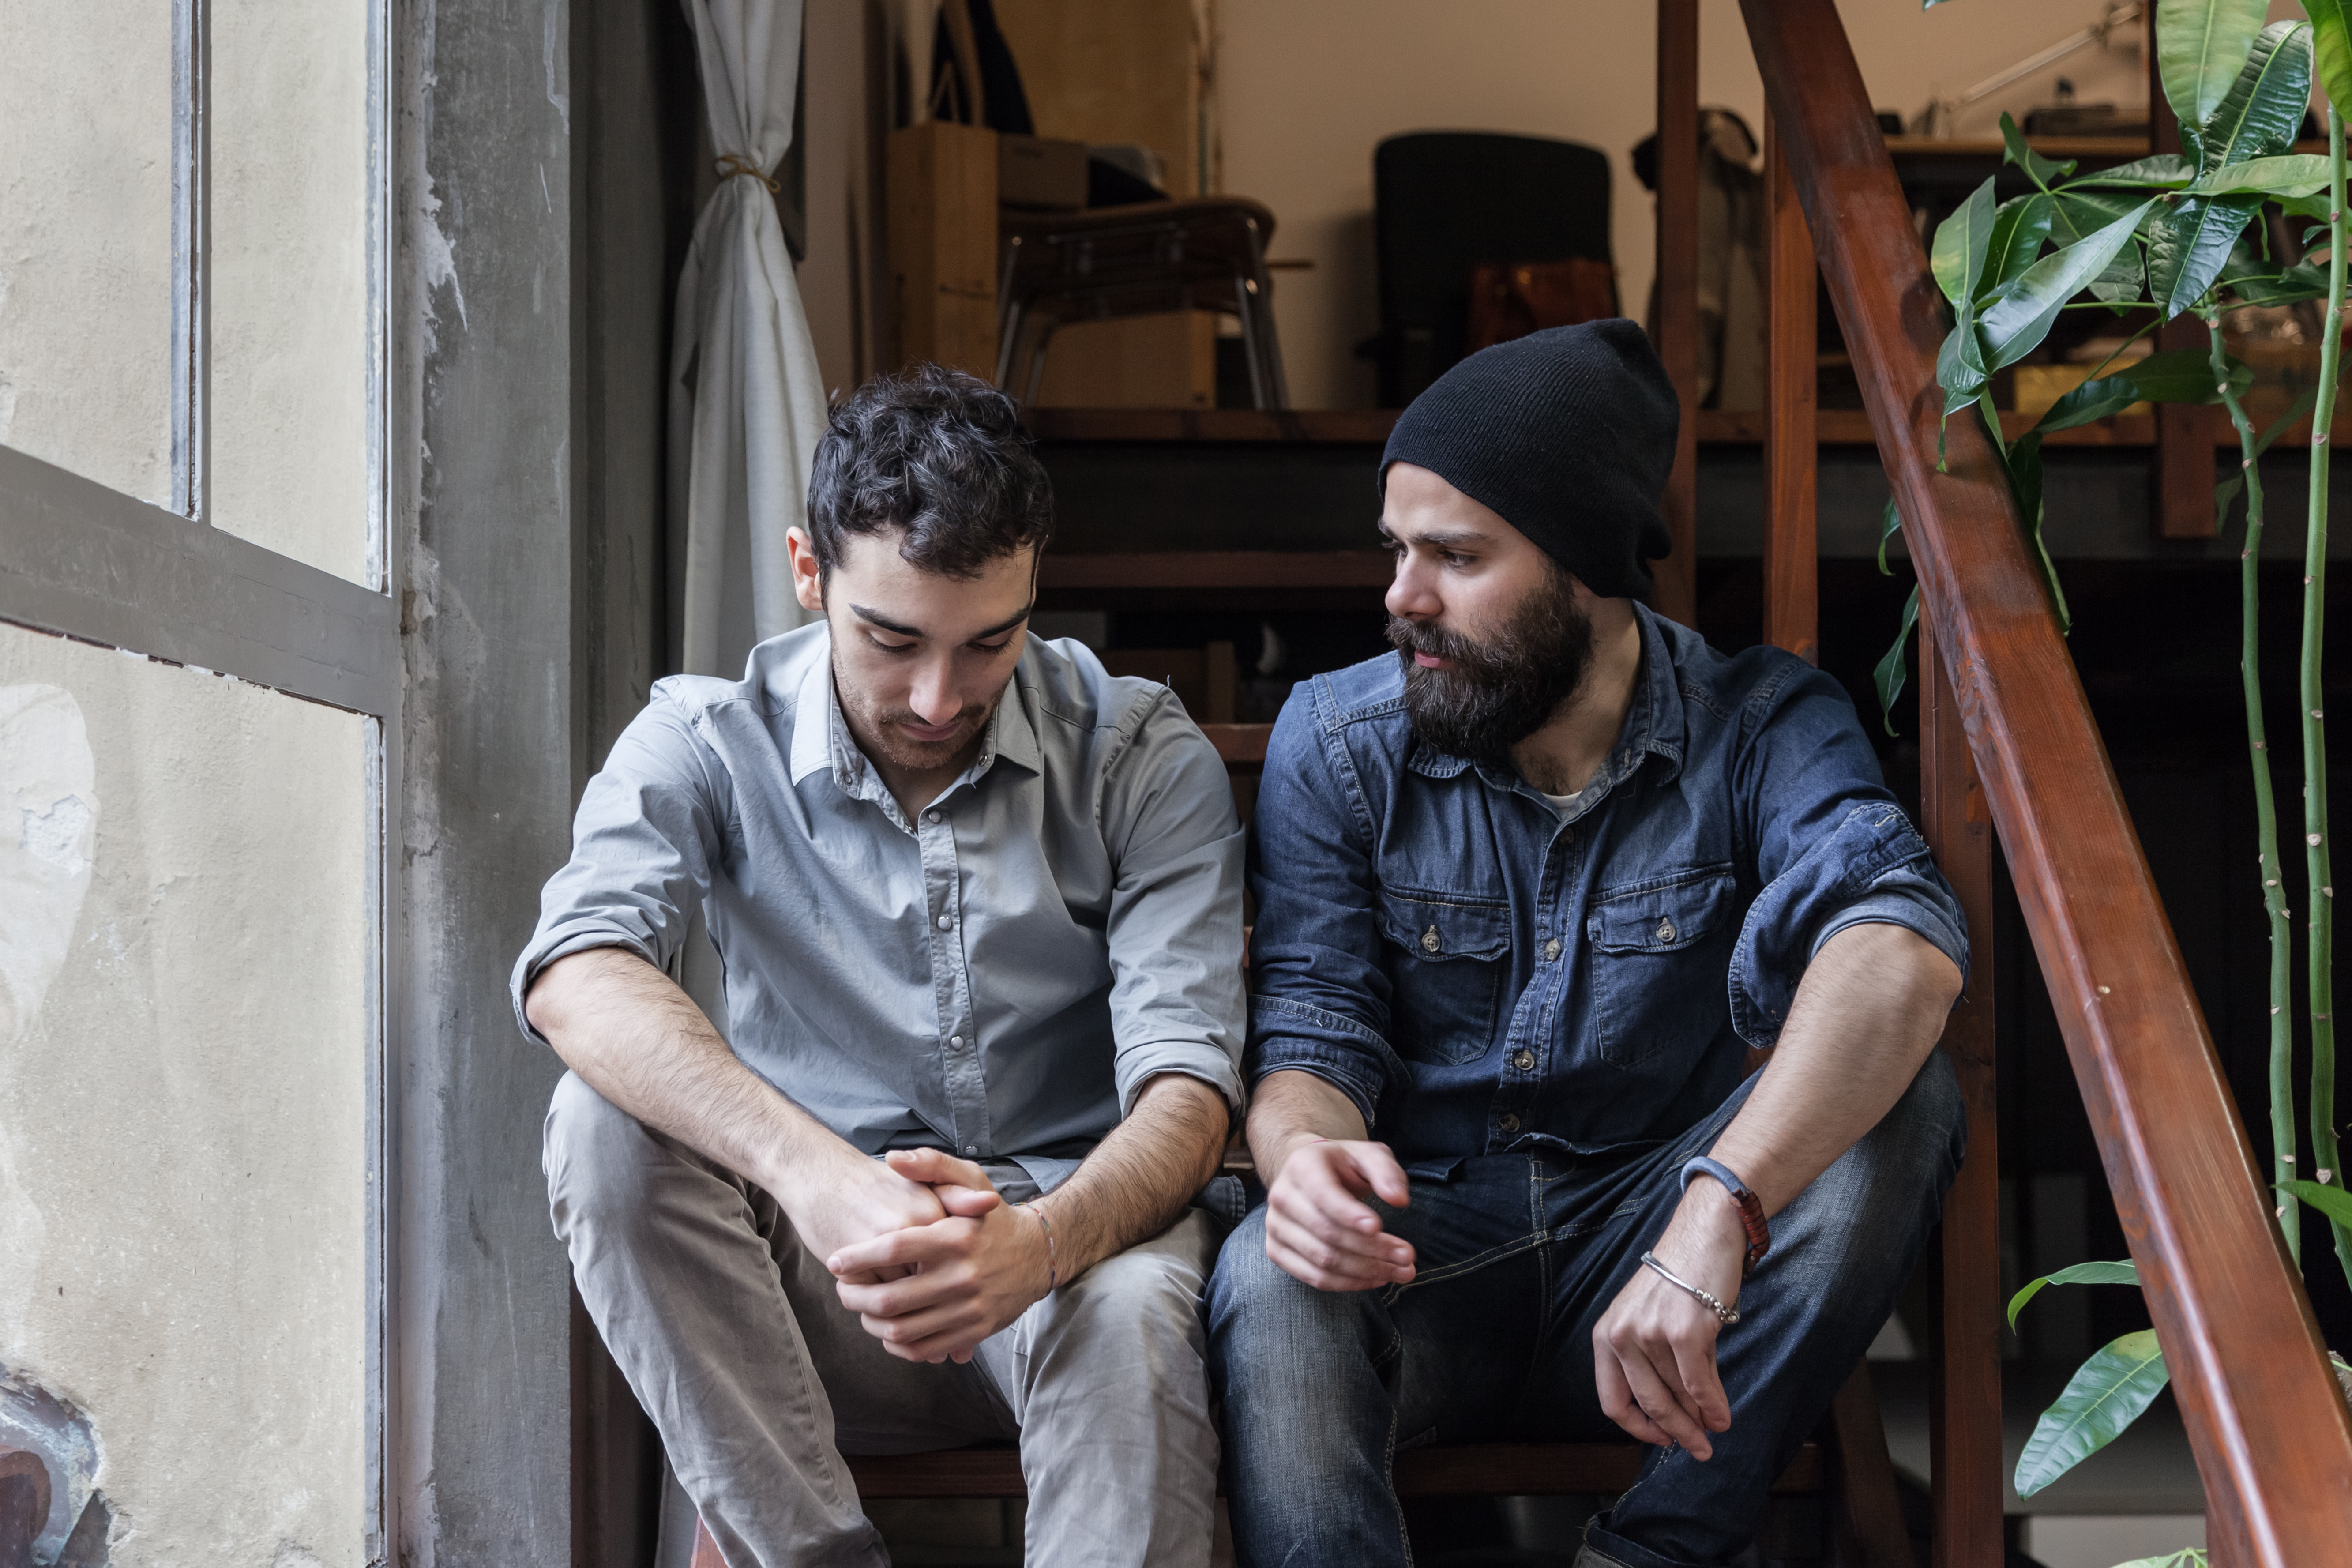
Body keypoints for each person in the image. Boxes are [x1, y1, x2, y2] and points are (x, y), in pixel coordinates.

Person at [1206, 320, 1969, 1568]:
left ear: (1586, 567)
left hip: (1666, 1261)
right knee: (1268, 1273)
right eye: (1397, 549)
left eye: (1454, 555)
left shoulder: (1762, 723)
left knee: (1904, 1094)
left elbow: (1898, 947)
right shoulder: (1336, 741)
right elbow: (1311, 1033)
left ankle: (1649, 1555)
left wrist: (1719, 1203)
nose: (1400, 597)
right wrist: (1302, 1163)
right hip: (1425, 1251)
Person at [516, 365, 1245, 1568]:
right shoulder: (703, 737)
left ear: (1031, 592)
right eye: (891, 637)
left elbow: (1189, 1095)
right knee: (597, 1125)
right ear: (810, 571)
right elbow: (575, 969)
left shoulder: (1136, 751)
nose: (934, 695)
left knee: (1133, 1319)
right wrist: (821, 1179)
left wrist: (1042, 1241)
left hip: (1072, 1258)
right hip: (811, 1286)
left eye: (988, 644)